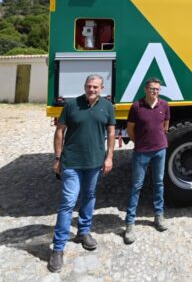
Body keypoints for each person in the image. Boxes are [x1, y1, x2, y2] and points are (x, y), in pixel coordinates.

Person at [48, 74, 115, 273]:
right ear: (84, 87)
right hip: (71, 162)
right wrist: (58, 158)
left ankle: (83, 232)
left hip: (94, 162)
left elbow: (111, 133)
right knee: (68, 201)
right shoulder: (71, 105)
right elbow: (60, 131)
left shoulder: (107, 107)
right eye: (88, 86)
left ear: (102, 88)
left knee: (89, 196)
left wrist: (109, 157)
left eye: (95, 86)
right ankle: (58, 248)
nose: (91, 89)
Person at [124, 77, 171, 244]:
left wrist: (158, 140)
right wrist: (139, 141)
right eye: (152, 89)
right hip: (141, 152)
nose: (155, 92)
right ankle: (130, 222)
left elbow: (165, 124)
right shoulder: (136, 107)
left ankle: (159, 216)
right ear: (145, 89)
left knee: (159, 183)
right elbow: (130, 129)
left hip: (160, 150)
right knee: (137, 186)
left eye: (157, 89)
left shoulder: (164, 105)